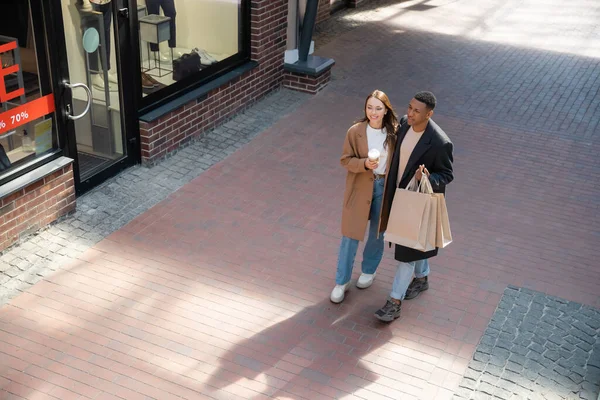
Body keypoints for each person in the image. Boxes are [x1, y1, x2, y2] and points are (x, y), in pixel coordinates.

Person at [374, 91, 454, 322]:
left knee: (406, 253)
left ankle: (394, 302)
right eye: (409, 107)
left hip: (416, 203)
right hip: (396, 197)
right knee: (415, 245)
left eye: (416, 111)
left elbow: (447, 174)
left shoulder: (440, 142)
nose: (410, 113)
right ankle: (422, 277)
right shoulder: (404, 125)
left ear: (429, 114)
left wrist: (426, 178)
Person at [331, 90, 400, 303]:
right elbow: (345, 160)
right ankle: (341, 281)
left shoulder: (394, 133)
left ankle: (369, 270)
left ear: (386, 110)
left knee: (377, 233)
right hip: (360, 186)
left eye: (378, 108)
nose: (373, 112)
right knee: (349, 235)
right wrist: (363, 164)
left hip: (383, 186)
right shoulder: (355, 131)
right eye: (369, 107)